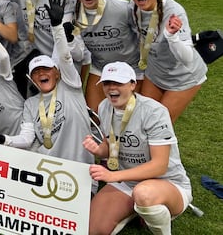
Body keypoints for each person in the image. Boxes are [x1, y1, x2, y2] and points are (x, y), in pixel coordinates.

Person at [0, 0, 93, 166]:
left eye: (46, 69)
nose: (42, 73)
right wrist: (3, 139)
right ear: (31, 79)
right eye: (36, 72)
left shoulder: (71, 86)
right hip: (47, 170)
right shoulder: (31, 104)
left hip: (79, 174)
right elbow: (26, 139)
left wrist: (57, 27)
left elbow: (65, 57)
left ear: (57, 73)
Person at [82, 62, 192, 235]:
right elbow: (111, 146)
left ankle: (157, 222)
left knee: (144, 194)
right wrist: (98, 150)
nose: (111, 88)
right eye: (107, 83)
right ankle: (136, 209)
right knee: (92, 230)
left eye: (118, 83)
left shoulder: (153, 111)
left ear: (133, 84)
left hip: (166, 182)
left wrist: (113, 176)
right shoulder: (104, 107)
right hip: (127, 182)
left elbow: (159, 166)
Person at [125, 0, 207, 123]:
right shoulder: (134, 7)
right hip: (155, 73)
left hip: (183, 77)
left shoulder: (174, 13)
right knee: (140, 119)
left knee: (159, 125)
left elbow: (187, 58)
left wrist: (172, 37)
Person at [69, 0, 141, 111]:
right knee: (94, 117)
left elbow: (144, 34)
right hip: (100, 68)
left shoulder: (122, 8)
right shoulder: (72, 13)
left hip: (132, 68)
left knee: (130, 116)